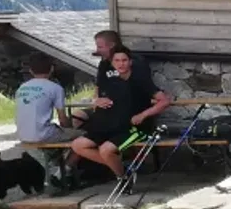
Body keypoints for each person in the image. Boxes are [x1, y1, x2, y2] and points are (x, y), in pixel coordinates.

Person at [69, 47, 170, 181]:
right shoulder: (108, 80)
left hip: (133, 128)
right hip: (108, 126)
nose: (121, 64)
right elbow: (97, 98)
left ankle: (122, 178)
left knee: (106, 150)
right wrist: (97, 100)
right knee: (78, 145)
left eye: (124, 60)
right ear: (112, 63)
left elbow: (164, 101)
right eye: (117, 61)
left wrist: (143, 115)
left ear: (130, 62)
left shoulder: (140, 80)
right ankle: (123, 168)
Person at [13, 54, 75, 187]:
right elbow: (62, 118)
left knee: (57, 140)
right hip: (43, 134)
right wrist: (71, 130)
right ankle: (61, 172)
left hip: (22, 134)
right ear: (52, 69)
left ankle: (54, 168)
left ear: (30, 71)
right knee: (83, 139)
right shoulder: (55, 88)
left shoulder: (21, 88)